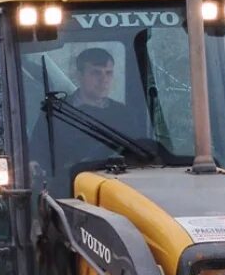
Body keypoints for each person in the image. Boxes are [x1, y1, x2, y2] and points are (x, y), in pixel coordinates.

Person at [29, 47, 145, 190]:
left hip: (116, 186)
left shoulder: (124, 115)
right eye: (96, 73)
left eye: (108, 73)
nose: (104, 80)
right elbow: (37, 152)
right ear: (79, 75)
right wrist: (35, 165)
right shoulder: (56, 113)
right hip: (66, 188)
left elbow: (139, 155)